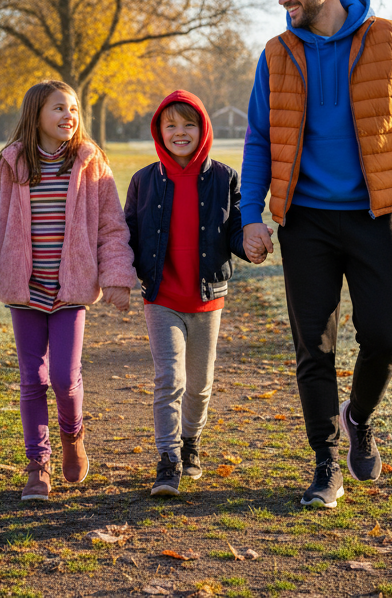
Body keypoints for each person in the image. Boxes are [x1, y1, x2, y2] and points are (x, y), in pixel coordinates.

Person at [240, 0, 392, 509]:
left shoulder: (386, 39)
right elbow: (259, 137)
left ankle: (359, 416)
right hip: (305, 222)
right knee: (315, 348)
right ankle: (326, 461)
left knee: (385, 336)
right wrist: (251, 215)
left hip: (377, 215)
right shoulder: (276, 53)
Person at [0, 81, 135, 501]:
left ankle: (73, 436)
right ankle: (38, 466)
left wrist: (116, 279)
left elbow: (111, 228)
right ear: (35, 114)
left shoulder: (92, 164)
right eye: (58, 108)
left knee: (63, 377)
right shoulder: (11, 163)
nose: (68, 116)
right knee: (31, 379)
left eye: (73, 109)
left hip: (71, 289)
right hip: (26, 289)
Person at [124, 91, 248, 496]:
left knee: (200, 383)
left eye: (188, 125)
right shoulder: (143, 180)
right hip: (161, 296)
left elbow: (236, 232)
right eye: (171, 125)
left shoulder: (223, 178)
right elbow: (125, 234)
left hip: (208, 297)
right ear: (159, 131)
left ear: (203, 129)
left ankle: (191, 442)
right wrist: (118, 274)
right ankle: (168, 459)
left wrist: (252, 245)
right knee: (169, 378)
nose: (180, 132)